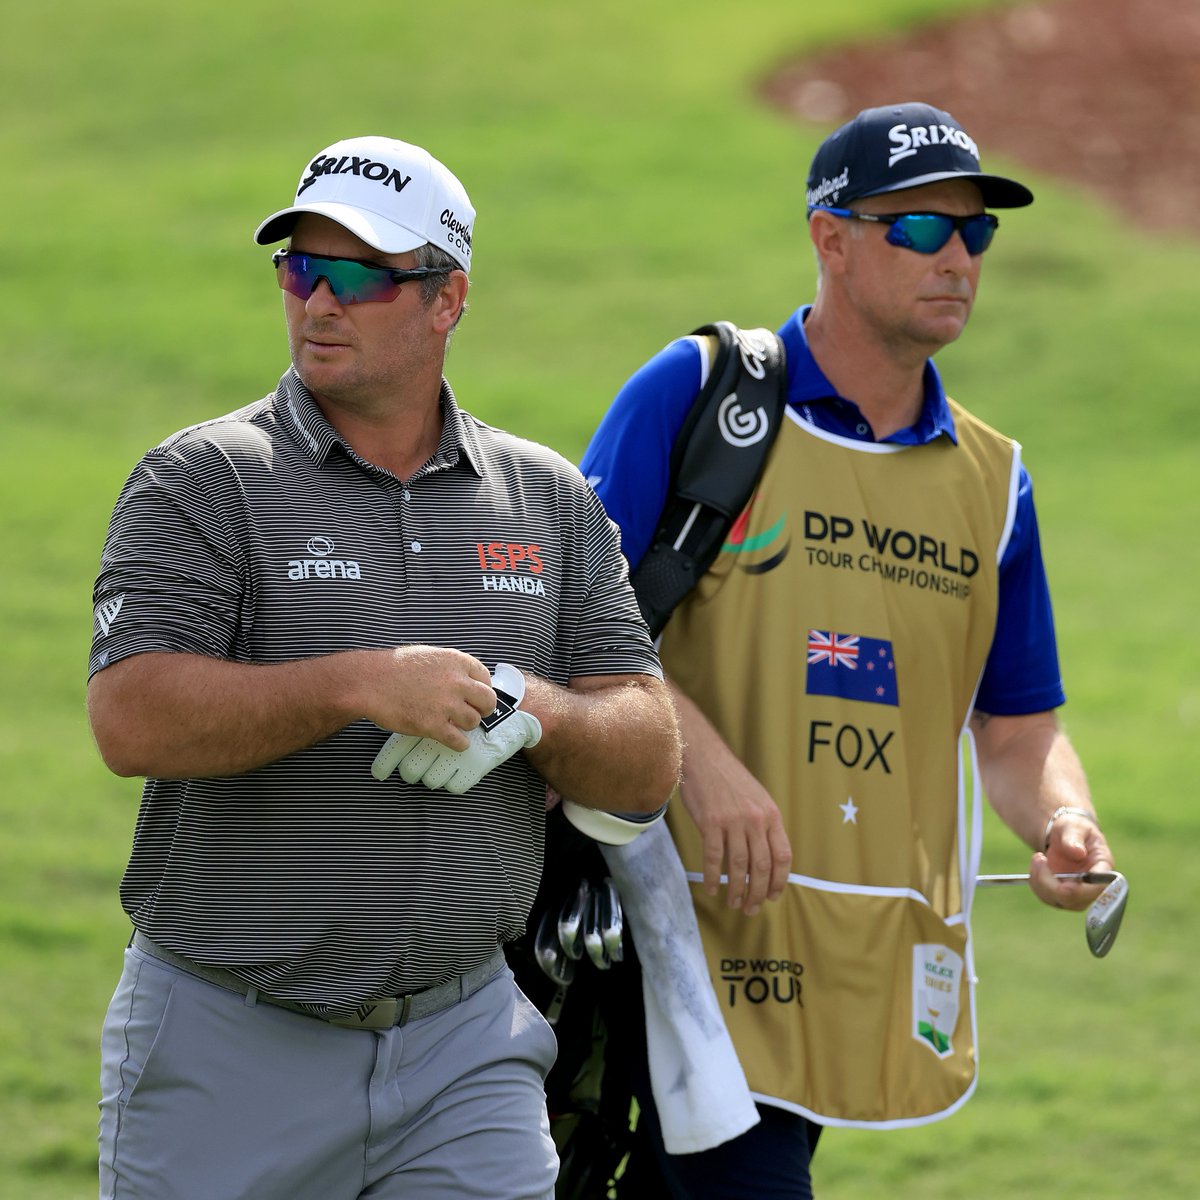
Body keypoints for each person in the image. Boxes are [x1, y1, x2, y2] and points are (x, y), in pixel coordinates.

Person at [87, 134, 681, 1200]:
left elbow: (645, 758)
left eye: (361, 276)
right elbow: (130, 719)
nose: (319, 301)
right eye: (299, 269)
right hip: (229, 1046)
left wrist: (532, 708)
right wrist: (356, 683)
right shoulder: (205, 479)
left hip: (466, 1043)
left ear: (447, 298)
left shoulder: (546, 499)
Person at [578, 101, 1118, 1198]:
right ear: (830, 237)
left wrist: (1064, 819)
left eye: (975, 233)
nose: (956, 257)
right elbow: (575, 626)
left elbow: (1015, 726)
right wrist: (703, 762)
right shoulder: (699, 394)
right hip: (660, 921)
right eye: (917, 230)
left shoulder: (992, 480)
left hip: (848, 952)